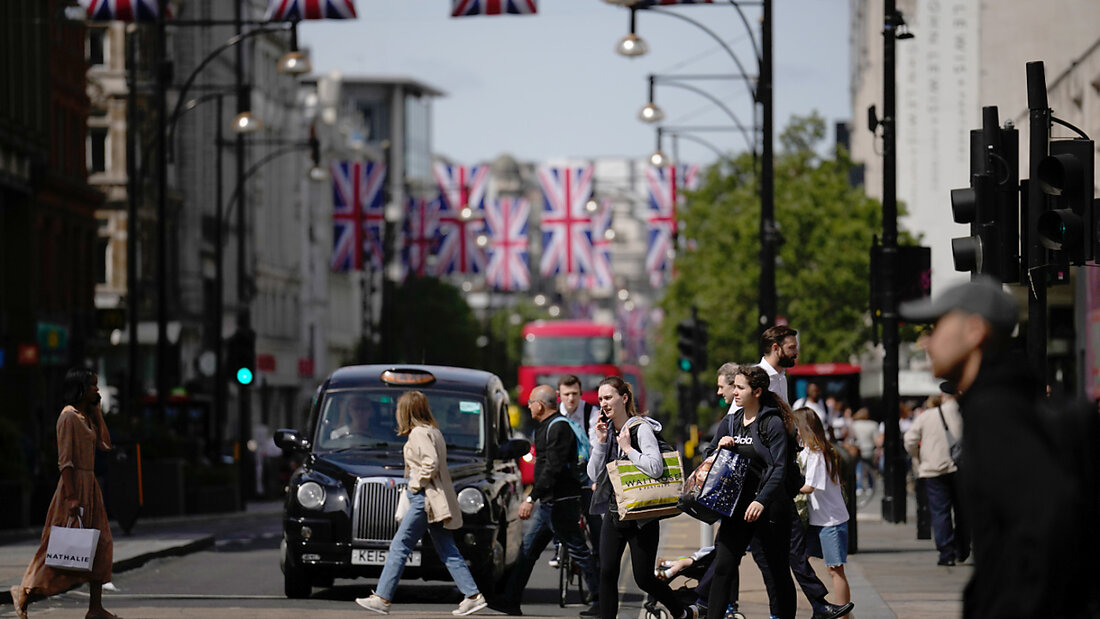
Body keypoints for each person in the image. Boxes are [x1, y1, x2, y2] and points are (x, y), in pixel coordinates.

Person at [899, 276, 1100, 618]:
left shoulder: (995, 413)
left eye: (937, 327)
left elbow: (1043, 527)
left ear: (975, 331)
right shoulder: (1013, 403)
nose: (926, 343)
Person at [355, 391, 487, 616]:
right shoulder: (434, 432)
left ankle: (382, 598)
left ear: (406, 412)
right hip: (433, 498)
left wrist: (415, 483)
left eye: (399, 410)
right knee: (446, 548)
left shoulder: (418, 434)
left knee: (400, 545)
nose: (396, 414)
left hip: (423, 499)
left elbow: (431, 463)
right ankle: (473, 596)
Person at [754, 330, 855, 619]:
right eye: (792, 347)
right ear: (776, 348)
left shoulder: (781, 378)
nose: (797, 352)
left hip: (782, 477)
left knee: (790, 553)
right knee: (743, 553)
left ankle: (816, 606)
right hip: (770, 477)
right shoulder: (760, 379)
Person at [11, 368, 116, 619]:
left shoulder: (85, 416)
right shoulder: (68, 417)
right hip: (74, 487)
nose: (97, 390)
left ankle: (95, 608)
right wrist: (71, 497)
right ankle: (23, 590)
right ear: (80, 388)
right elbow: (65, 461)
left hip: (90, 486)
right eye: (92, 386)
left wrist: (98, 412)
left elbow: (105, 445)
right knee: (55, 549)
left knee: (102, 545)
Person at [491, 385, 599, 617]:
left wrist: (531, 497)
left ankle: (601, 601)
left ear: (540, 405)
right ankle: (510, 600)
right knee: (527, 551)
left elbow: (552, 468)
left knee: (579, 551)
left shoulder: (558, 428)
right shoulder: (547, 427)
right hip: (549, 504)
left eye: (531, 402)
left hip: (560, 502)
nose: (529, 406)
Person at [588, 376, 691, 619]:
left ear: (624, 398)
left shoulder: (641, 429)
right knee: (607, 573)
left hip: (642, 516)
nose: (603, 403)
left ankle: (681, 612)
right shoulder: (607, 431)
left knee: (643, 577)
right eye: (601, 398)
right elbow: (593, 474)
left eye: (609, 397)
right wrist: (601, 443)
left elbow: (655, 467)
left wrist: (628, 450)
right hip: (615, 512)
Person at [705, 365, 797, 619]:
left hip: (769, 508)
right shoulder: (731, 421)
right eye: (733, 386)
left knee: (777, 571)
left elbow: (779, 468)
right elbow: (707, 457)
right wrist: (720, 449)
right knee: (723, 566)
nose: (734, 392)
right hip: (737, 508)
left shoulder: (773, 423)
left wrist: (761, 501)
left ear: (757, 391)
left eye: (740, 387)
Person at [793, 408, 852, 612]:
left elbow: (810, 486)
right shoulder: (809, 451)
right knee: (801, 560)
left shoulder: (818, 453)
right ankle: (826, 607)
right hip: (818, 521)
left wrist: (785, 486)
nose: (795, 432)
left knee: (835, 570)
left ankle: (843, 614)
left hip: (831, 521)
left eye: (796, 427)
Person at [903, 383, 968, 566]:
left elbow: (909, 440)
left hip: (933, 469)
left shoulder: (928, 416)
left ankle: (945, 553)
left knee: (940, 511)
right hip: (961, 469)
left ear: (942, 395)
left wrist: (918, 456)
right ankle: (962, 548)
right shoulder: (967, 413)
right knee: (963, 510)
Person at [555, 374, 602, 567]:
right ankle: (558, 546)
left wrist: (593, 475)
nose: (571, 398)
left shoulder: (591, 412)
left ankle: (599, 554)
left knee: (592, 510)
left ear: (581, 393)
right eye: (566, 394)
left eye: (574, 393)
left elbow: (595, 443)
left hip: (586, 469)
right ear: (559, 395)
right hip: (564, 470)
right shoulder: (556, 413)